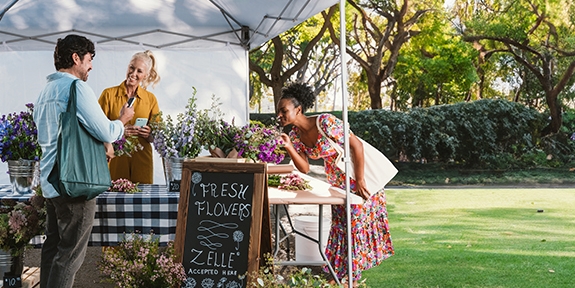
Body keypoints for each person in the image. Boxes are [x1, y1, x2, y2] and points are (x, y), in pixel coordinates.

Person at [34, 34, 135, 288]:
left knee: (52, 250)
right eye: (89, 59)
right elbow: (106, 131)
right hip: (75, 183)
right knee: (69, 256)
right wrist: (122, 119)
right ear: (75, 58)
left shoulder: (44, 91)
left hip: (51, 182)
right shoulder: (76, 88)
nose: (91, 66)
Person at [276, 83, 394, 285]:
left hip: (357, 180)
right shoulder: (295, 136)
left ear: (298, 110)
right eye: (278, 111)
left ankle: (352, 281)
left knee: (355, 228)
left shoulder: (325, 122)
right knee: (341, 228)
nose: (279, 115)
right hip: (337, 184)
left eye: (283, 110)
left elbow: (356, 145)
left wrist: (360, 179)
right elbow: (304, 167)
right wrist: (288, 147)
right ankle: (339, 278)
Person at [98, 50, 161, 184]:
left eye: (139, 71)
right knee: (114, 199)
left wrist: (149, 133)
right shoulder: (108, 95)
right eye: (131, 68)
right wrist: (120, 131)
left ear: (146, 75)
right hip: (115, 160)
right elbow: (97, 128)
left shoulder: (150, 99)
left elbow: (157, 136)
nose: (133, 74)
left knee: (143, 200)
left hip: (142, 160)